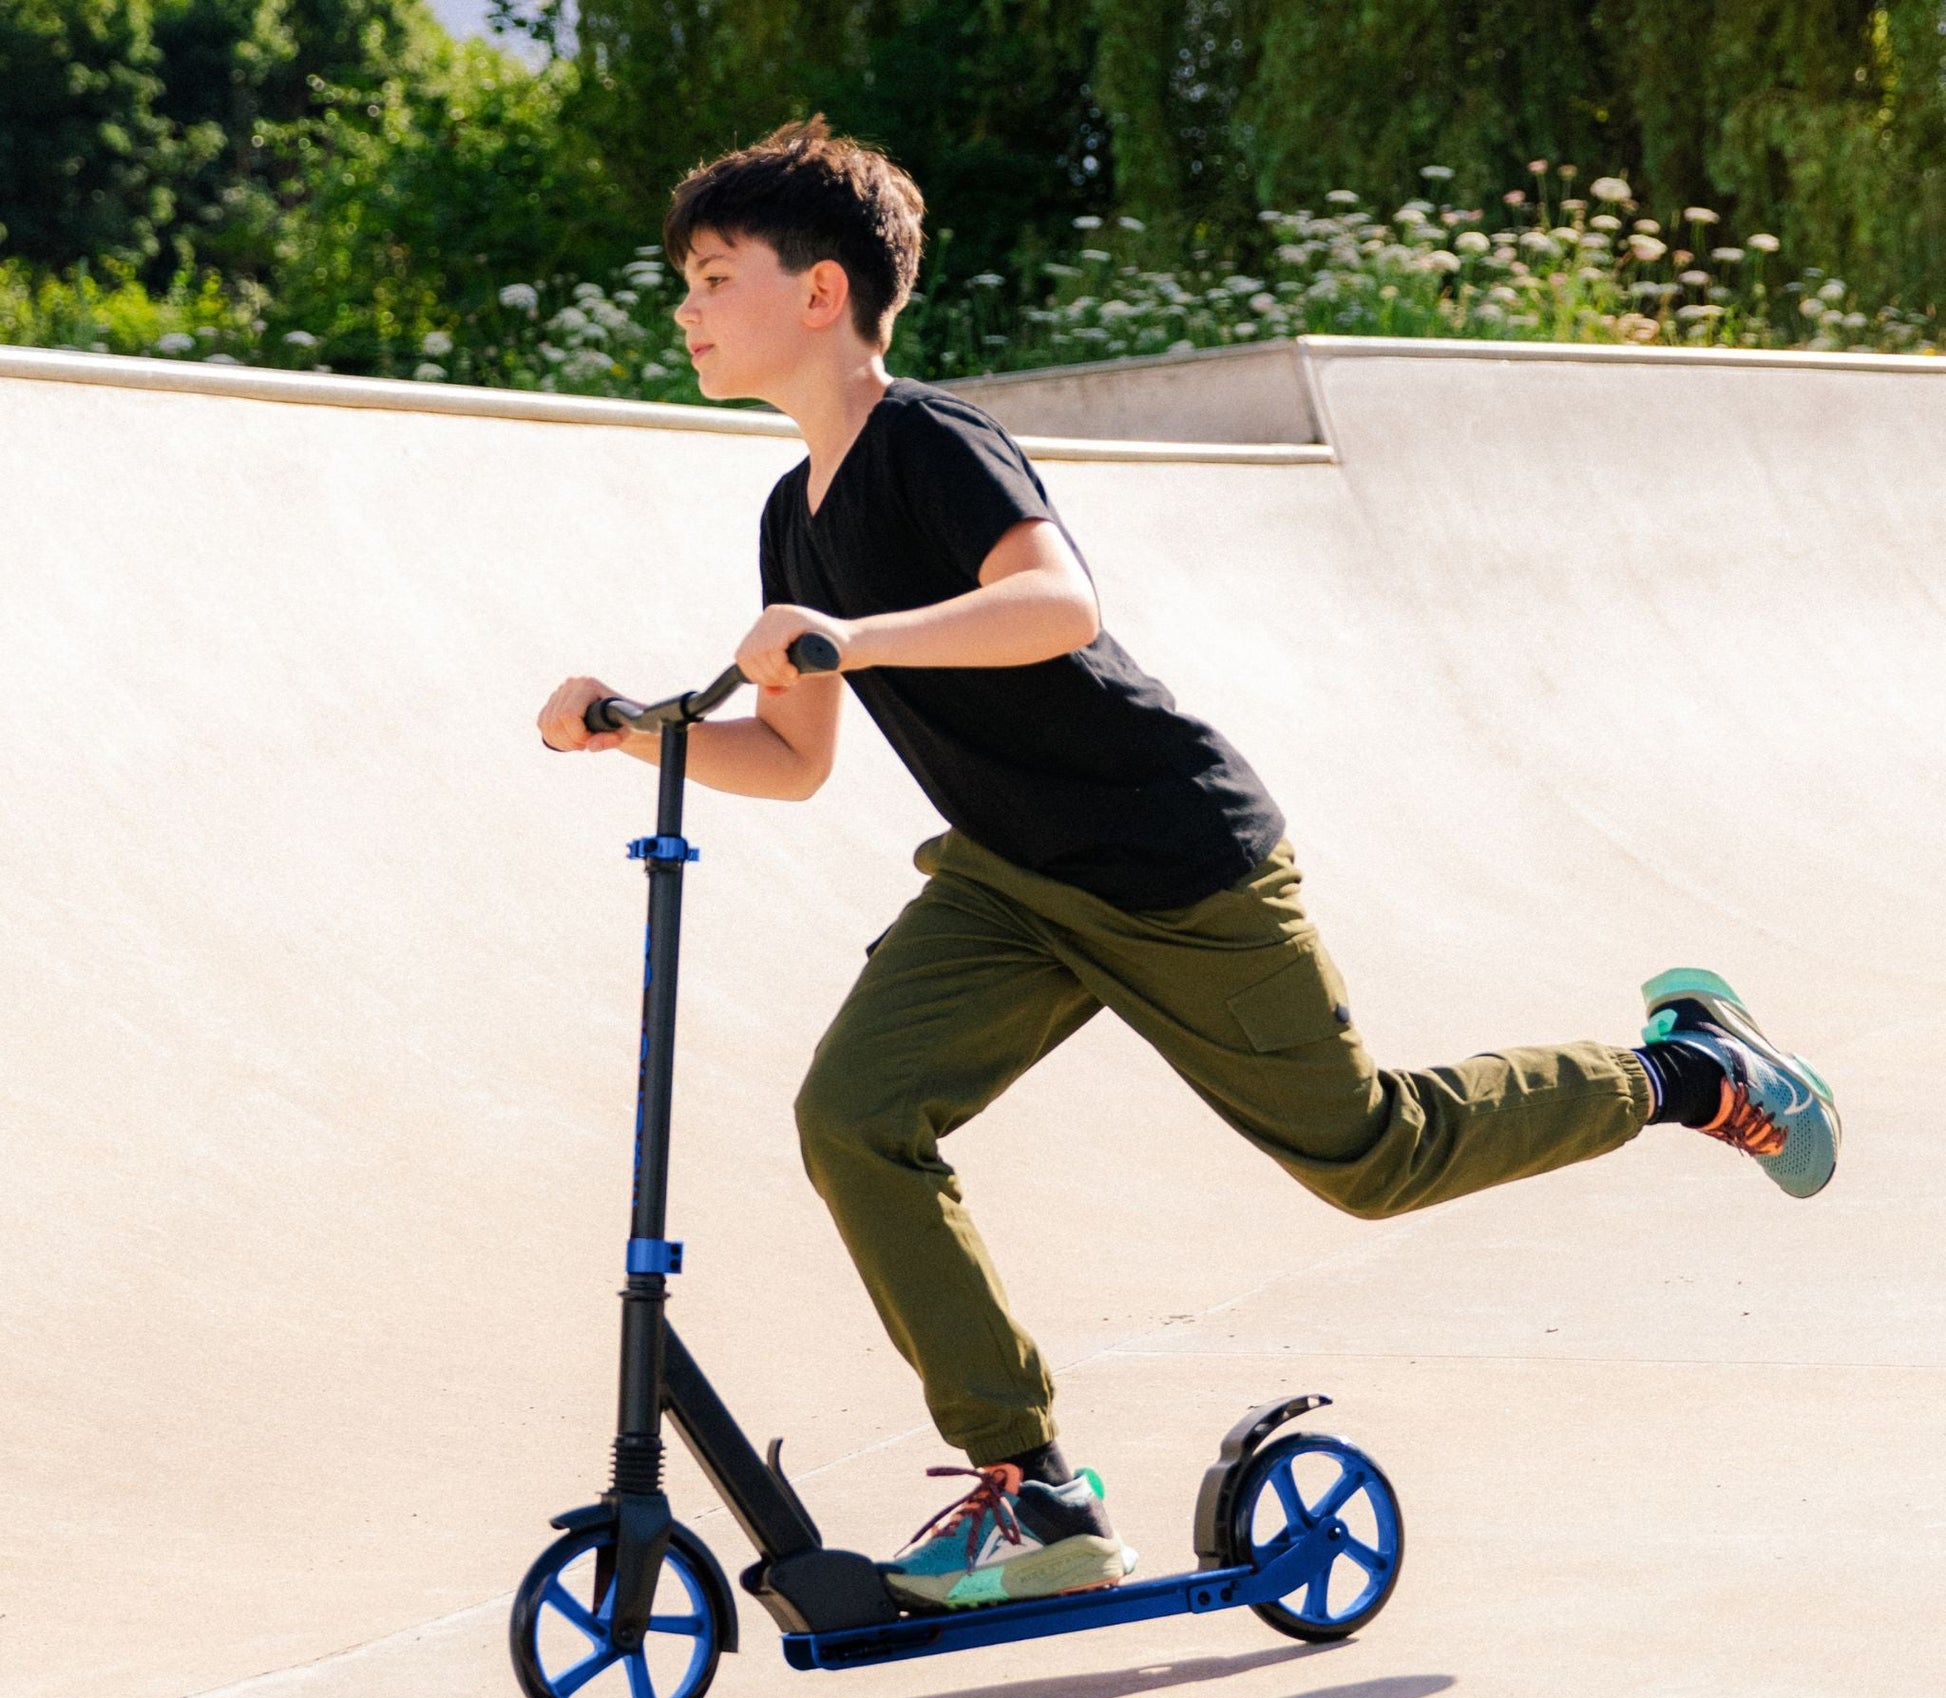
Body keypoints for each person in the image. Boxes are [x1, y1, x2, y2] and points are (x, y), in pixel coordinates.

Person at [537, 118, 1840, 1614]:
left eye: (711, 276)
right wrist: (636, 733)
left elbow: (1054, 605)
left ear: (820, 293)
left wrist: (863, 635)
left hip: (1171, 862)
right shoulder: (792, 514)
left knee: (1368, 1155)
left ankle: (1685, 1072)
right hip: (1007, 882)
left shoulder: (928, 443)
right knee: (855, 1116)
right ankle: (1030, 1490)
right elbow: (797, 754)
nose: (685, 308)